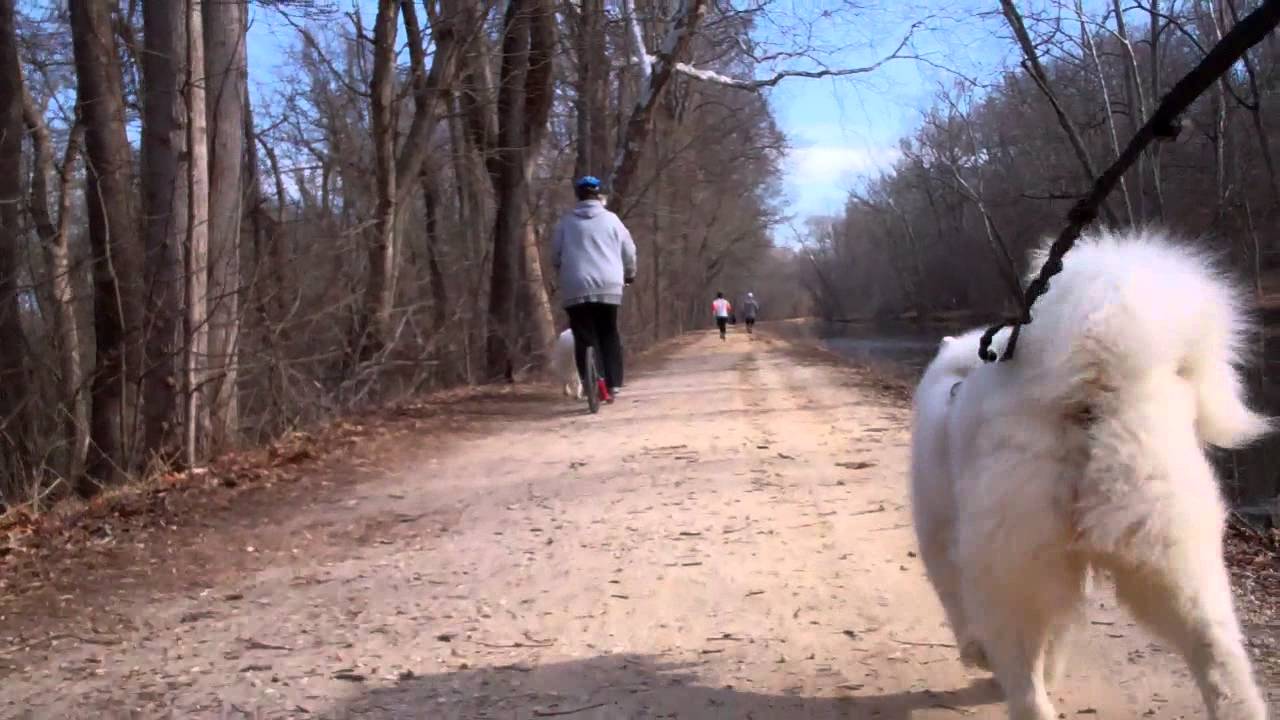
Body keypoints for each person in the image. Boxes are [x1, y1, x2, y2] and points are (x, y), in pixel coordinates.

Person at [551, 175, 636, 404]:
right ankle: (614, 383)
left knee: (583, 336)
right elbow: (629, 250)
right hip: (609, 284)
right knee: (608, 332)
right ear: (598, 195)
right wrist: (630, 273)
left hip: (576, 286)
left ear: (578, 195)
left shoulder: (565, 222)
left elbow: (555, 255)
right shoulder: (612, 220)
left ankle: (591, 385)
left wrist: (562, 269)